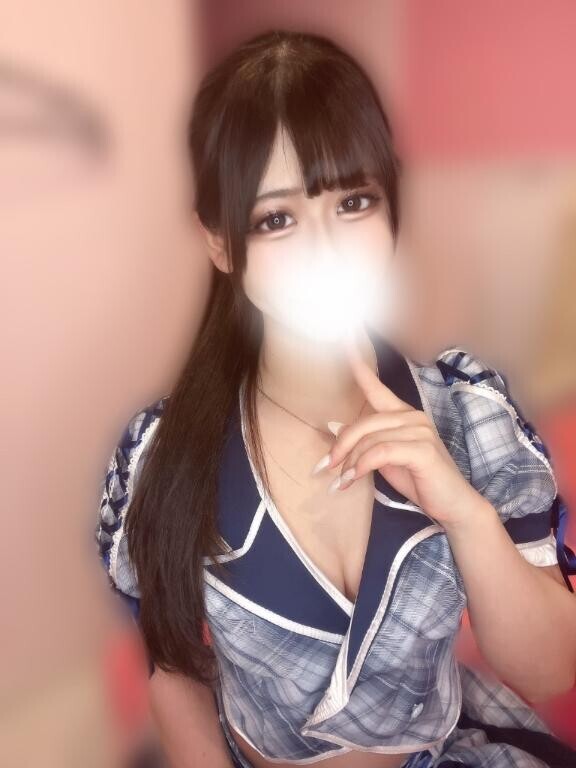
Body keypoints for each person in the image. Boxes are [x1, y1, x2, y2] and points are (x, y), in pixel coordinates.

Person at [96, 29, 576, 768]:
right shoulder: (165, 455)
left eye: (353, 201)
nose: (325, 247)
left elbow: (549, 671)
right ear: (220, 242)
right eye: (277, 218)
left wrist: (464, 513)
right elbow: (173, 668)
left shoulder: (467, 416)